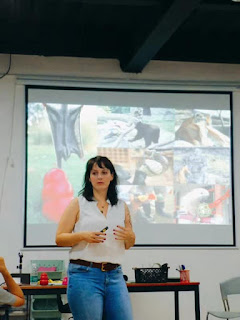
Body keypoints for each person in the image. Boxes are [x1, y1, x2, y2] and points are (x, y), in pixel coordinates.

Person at [56, 156, 135, 320]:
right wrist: (82, 236)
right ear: (89, 177)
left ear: (112, 176)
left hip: (115, 275)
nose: (99, 177)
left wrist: (130, 236)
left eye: (104, 172)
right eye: (95, 173)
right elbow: (60, 238)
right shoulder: (78, 203)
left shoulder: (121, 206)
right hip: (84, 275)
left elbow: (128, 244)